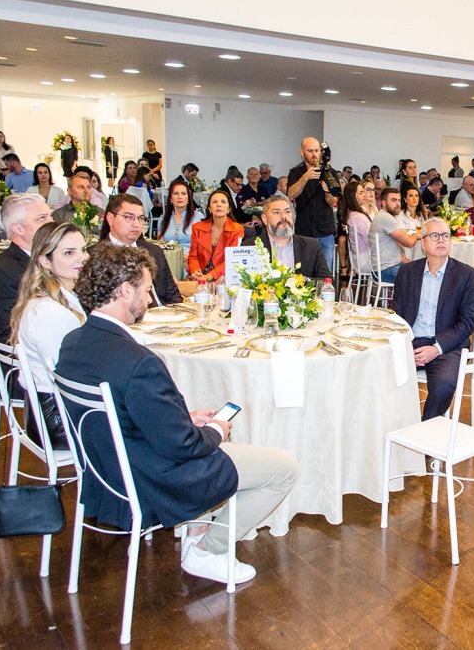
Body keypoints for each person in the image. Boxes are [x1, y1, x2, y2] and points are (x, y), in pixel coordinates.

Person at [56, 243, 299, 583]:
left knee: (207, 437)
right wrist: (215, 430)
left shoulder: (73, 342)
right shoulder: (138, 362)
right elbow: (183, 446)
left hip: (105, 472)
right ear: (124, 290)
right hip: (155, 479)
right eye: (145, 289)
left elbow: (130, 414)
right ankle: (208, 551)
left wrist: (184, 417)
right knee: (284, 468)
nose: (149, 298)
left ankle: (198, 533)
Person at [10, 221, 88, 450]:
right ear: (45, 261)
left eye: (83, 249)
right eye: (69, 253)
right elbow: (68, 374)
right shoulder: (49, 311)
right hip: (57, 421)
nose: (82, 258)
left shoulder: (61, 298)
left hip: (54, 409)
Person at [392, 218, 474, 420]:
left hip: (447, 345)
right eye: (434, 236)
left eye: (445, 236)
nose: (441, 240)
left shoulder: (466, 274)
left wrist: (436, 348)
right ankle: (394, 427)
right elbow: (398, 314)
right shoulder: (407, 272)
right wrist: (405, 346)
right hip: (411, 340)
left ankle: (424, 432)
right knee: (380, 373)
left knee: (443, 385)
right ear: (423, 243)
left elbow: (467, 322)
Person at [0, 194, 53, 340]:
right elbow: (9, 332)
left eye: (51, 216)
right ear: (18, 229)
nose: (51, 222)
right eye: (42, 218)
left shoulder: (54, 258)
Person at [97, 193, 184, 305]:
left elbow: (173, 295)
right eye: (129, 217)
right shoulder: (96, 256)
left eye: (141, 218)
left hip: (163, 312)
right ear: (110, 218)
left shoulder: (154, 251)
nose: (137, 224)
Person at [243, 195, 331, 281]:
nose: (283, 216)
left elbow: (326, 281)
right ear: (265, 219)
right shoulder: (250, 247)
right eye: (276, 212)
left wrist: (300, 281)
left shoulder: (311, 246)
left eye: (287, 212)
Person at [287, 137, 337, 271]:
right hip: (304, 230)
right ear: (302, 152)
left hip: (325, 230)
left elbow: (332, 202)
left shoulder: (329, 172)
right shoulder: (295, 172)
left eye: (316, 150)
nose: (314, 154)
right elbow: (291, 194)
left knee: (325, 271)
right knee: (304, 272)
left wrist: (327, 191)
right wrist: (305, 177)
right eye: (310, 151)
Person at [188, 190, 245, 283]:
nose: (219, 205)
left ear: (229, 209)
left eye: (223, 202)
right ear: (209, 209)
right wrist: (196, 272)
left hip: (223, 276)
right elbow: (193, 257)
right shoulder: (197, 227)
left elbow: (232, 259)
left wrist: (209, 276)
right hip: (200, 275)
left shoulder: (237, 229)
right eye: (215, 202)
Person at [368, 188, 419, 283]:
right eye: (393, 200)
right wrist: (417, 235)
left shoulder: (383, 216)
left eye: (399, 200)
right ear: (384, 203)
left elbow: (394, 253)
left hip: (386, 267)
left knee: (420, 270)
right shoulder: (386, 218)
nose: (398, 204)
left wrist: (413, 264)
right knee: (420, 277)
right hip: (384, 271)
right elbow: (409, 243)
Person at [157, 180, 204, 254]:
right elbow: (160, 244)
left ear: (188, 198)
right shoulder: (163, 218)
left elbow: (203, 245)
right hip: (169, 257)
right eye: (176, 193)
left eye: (183, 193)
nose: (180, 197)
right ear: (170, 199)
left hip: (191, 257)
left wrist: (190, 256)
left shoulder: (198, 217)